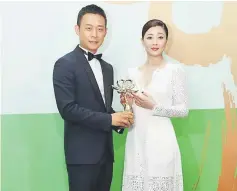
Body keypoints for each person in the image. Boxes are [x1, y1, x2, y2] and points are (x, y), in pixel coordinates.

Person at [52, 4, 133, 191]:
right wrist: (110, 118)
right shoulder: (64, 64)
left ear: (106, 32)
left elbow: (103, 109)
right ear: (77, 29)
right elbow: (68, 109)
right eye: (88, 28)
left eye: (100, 29)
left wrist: (121, 120)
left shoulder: (108, 68)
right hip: (81, 157)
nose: (94, 34)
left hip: (106, 156)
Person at [121, 19, 189, 191]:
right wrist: (127, 105)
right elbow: (130, 111)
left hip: (162, 142)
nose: (155, 42)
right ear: (142, 40)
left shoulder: (174, 71)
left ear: (167, 41)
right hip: (136, 140)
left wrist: (154, 107)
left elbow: (183, 110)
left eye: (160, 37)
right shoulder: (132, 73)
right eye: (150, 37)